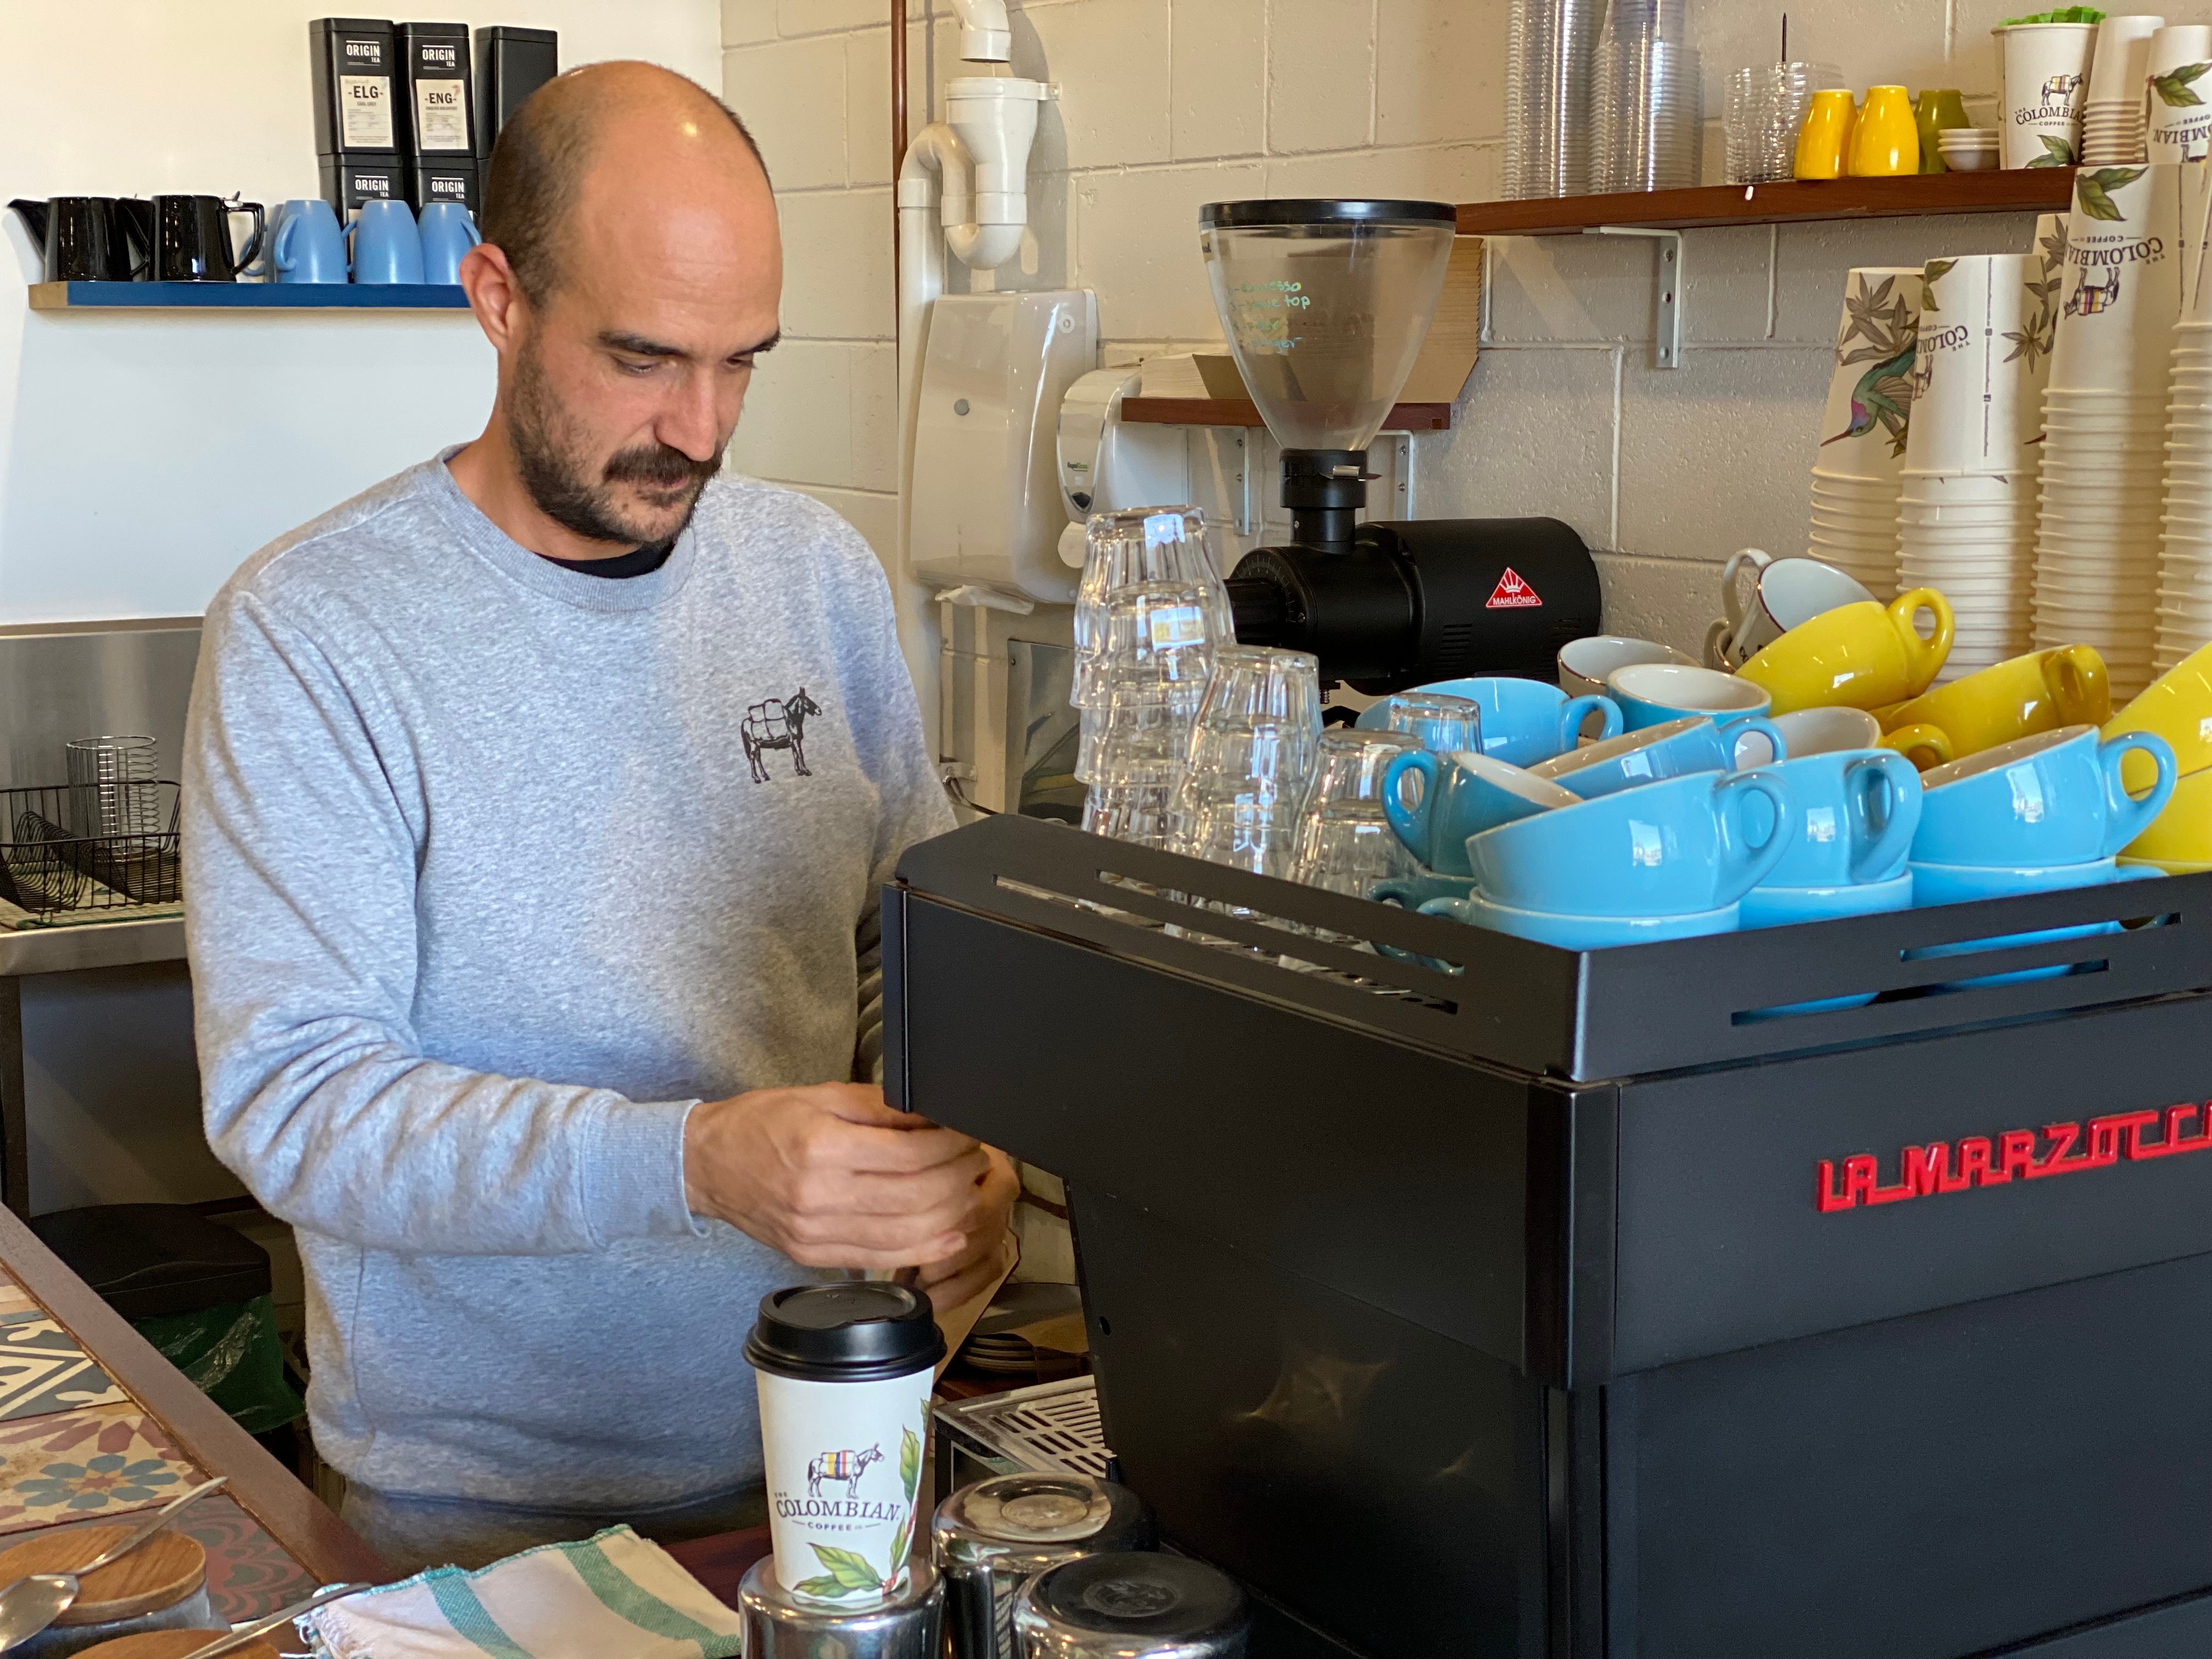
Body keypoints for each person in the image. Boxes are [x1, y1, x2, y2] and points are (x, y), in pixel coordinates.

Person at [182, 61, 1014, 1573]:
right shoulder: (314, 633)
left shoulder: (816, 578)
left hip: (833, 1453)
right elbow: (295, 1105)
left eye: (742, 362)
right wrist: (692, 1161)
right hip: (478, 1522)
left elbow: (909, 937)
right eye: (644, 360)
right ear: (496, 298)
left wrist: (965, 1154)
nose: (700, 430)